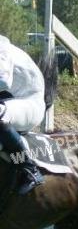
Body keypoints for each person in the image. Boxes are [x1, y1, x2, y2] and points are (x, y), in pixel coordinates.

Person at [0, 35, 46, 194]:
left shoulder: (1, 46)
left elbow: (3, 82)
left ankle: (29, 169)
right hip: (9, 99)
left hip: (29, 103)